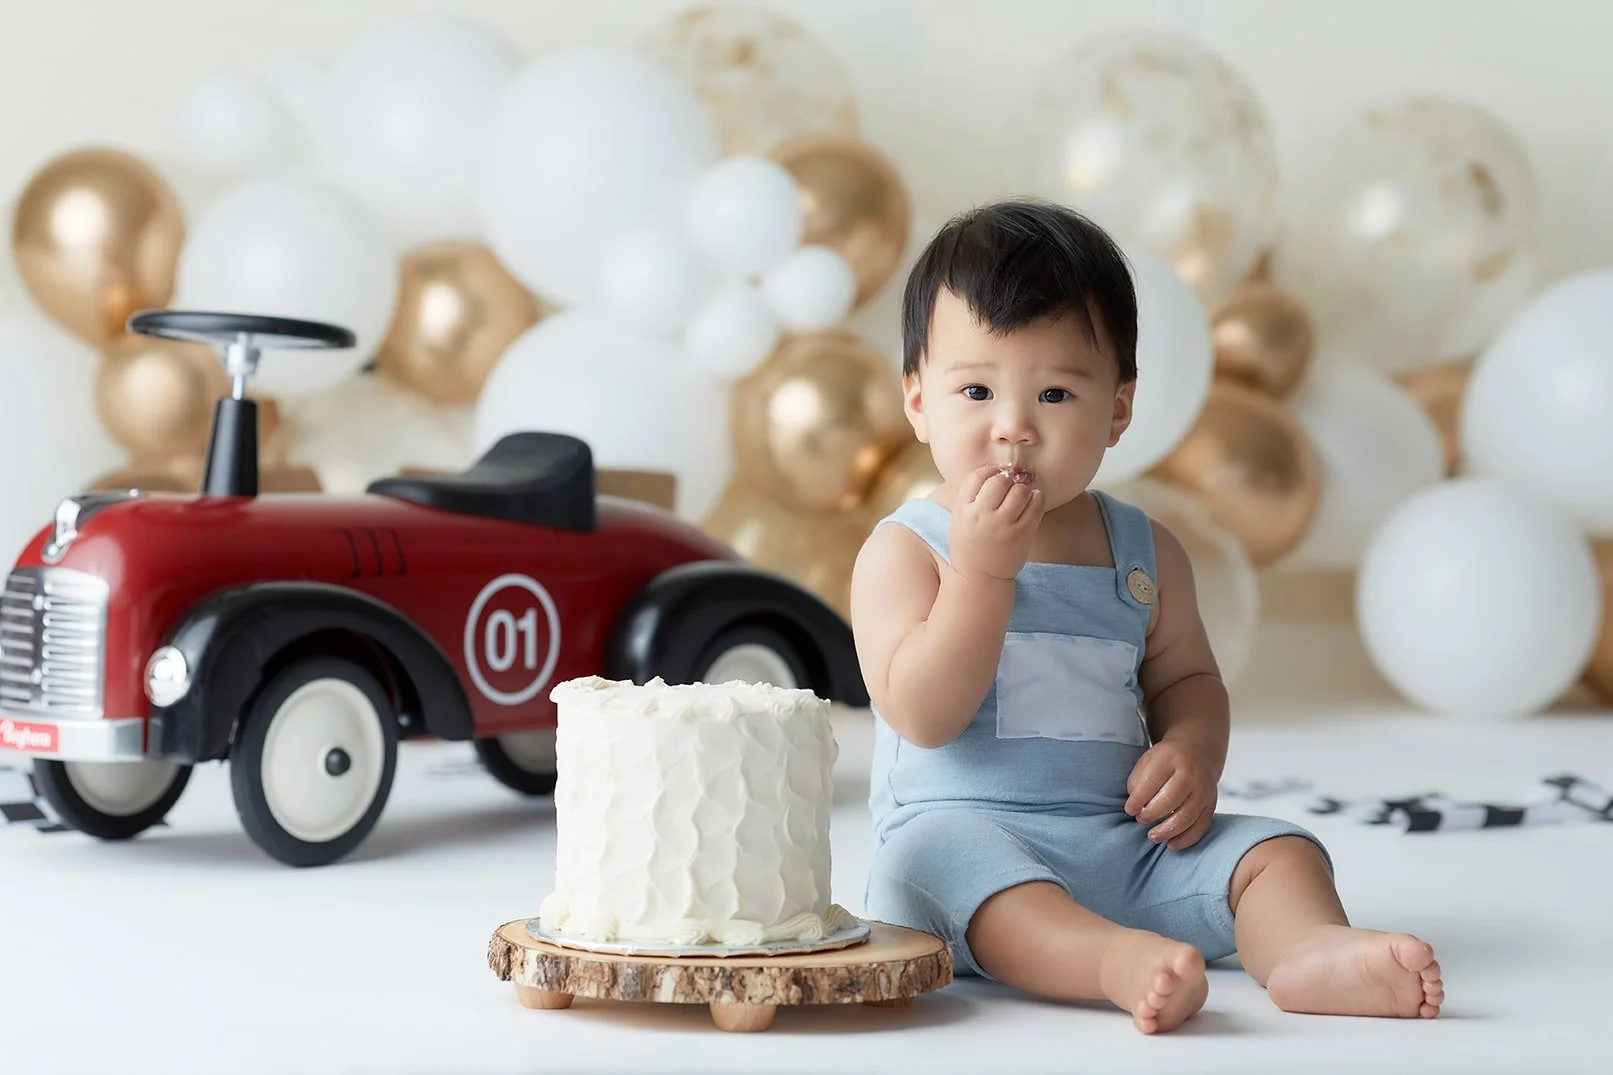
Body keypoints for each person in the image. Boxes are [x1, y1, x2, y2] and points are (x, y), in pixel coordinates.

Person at [849, 199, 1444, 1034]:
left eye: (1054, 392)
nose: (1013, 428)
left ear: (1117, 410)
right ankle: (1110, 962)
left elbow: (1188, 678)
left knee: (1277, 849)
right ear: (917, 401)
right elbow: (922, 711)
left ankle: (1307, 950)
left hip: (1124, 844)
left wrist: (1192, 751)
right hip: (970, 838)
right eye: (975, 389)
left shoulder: (1141, 550)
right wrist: (983, 573)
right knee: (932, 864)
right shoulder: (908, 550)